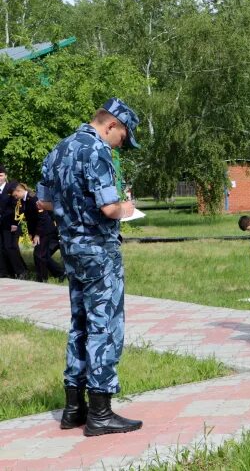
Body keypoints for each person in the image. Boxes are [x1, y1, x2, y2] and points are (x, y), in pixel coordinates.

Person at [37, 97, 143, 436]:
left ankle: (73, 408)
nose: (122, 144)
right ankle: (100, 412)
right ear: (111, 125)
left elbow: (43, 201)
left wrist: (71, 212)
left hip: (71, 248)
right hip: (99, 250)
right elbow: (109, 208)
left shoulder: (59, 149)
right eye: (123, 137)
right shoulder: (97, 151)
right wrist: (127, 207)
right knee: (105, 326)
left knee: (80, 322)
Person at [12, 182, 64, 282]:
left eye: (15, 195)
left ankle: (42, 279)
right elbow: (29, 219)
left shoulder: (33, 199)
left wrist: (37, 234)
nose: (15, 197)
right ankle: (59, 273)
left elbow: (42, 217)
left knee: (39, 255)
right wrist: (31, 233)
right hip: (39, 230)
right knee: (43, 255)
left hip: (45, 230)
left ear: (20, 191)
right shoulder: (24, 200)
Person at [0, 167, 27, 279]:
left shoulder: (11, 187)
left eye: (0, 175)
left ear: (5, 175)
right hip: (1, 224)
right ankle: (4, 272)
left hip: (11, 224)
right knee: (1, 248)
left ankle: (21, 271)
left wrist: (15, 223)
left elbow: (17, 207)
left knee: (10, 247)